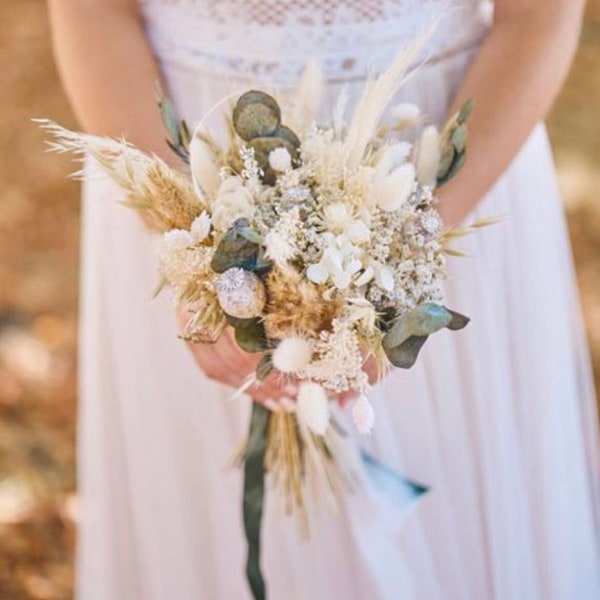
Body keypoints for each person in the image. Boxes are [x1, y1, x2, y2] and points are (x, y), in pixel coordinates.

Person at [48, 0, 600, 598]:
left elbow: (540, 15)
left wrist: (402, 263)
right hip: (176, 149)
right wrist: (191, 248)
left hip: (446, 159)